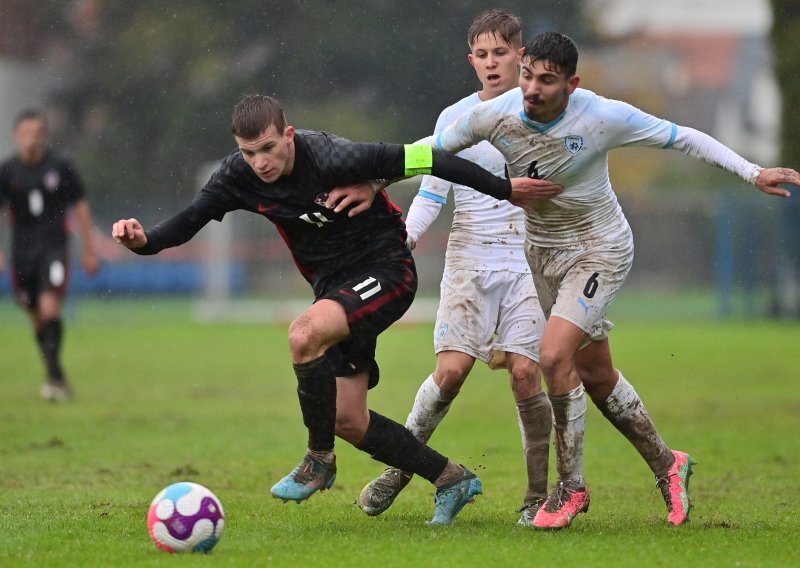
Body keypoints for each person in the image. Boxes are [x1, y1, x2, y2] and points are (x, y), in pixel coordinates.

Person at [332, 33, 800, 529]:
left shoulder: (603, 116)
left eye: (546, 81)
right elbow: (430, 150)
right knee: (596, 376)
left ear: (572, 84)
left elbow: (682, 135)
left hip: (599, 250)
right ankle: (669, 464)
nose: (531, 89)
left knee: (552, 355)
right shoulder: (498, 113)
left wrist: (752, 173)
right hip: (542, 253)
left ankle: (569, 490)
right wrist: (374, 181)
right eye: (529, 75)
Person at [111, 94, 562, 525]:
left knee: (303, 334)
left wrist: (505, 189)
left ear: (288, 135)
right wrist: (144, 241)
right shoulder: (238, 176)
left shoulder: (334, 157)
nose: (260, 162)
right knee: (348, 418)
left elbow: (432, 159)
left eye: (268, 148)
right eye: (249, 153)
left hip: (386, 269)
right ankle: (451, 479)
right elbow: (188, 222)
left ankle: (319, 459)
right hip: (335, 287)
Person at [354, 10, 555, 527]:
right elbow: (431, 191)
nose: (492, 64)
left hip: (527, 257)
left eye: (501, 53)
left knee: (526, 373)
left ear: (521, 56)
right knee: (450, 372)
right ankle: (400, 472)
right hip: (468, 258)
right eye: (482, 55)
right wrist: (405, 238)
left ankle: (537, 498)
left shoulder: (548, 114)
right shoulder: (456, 117)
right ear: (472, 61)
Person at [0, 108, 99, 401]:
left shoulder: (61, 166)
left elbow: (80, 207)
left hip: (55, 247)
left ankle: (54, 377)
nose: (31, 140)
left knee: (49, 306)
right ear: (16, 136)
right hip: (22, 253)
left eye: (37, 134)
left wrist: (90, 250)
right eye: (25, 134)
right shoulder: (7, 171)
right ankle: (56, 373)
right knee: (36, 315)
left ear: (45, 136)